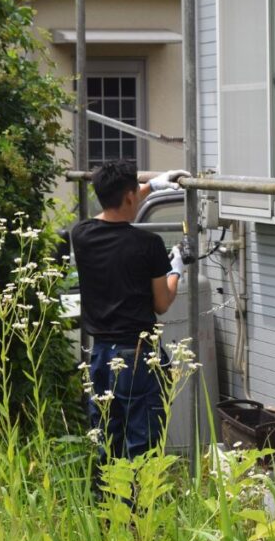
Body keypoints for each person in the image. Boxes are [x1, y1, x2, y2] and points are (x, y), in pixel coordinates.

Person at [71, 160, 190, 463]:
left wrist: (152, 186)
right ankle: (140, 508)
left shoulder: (82, 235)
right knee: (143, 445)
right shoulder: (148, 244)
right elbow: (162, 303)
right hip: (138, 356)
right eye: (136, 191)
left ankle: (110, 507)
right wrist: (175, 268)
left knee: (107, 441)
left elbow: (112, 209)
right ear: (128, 196)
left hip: (100, 355)